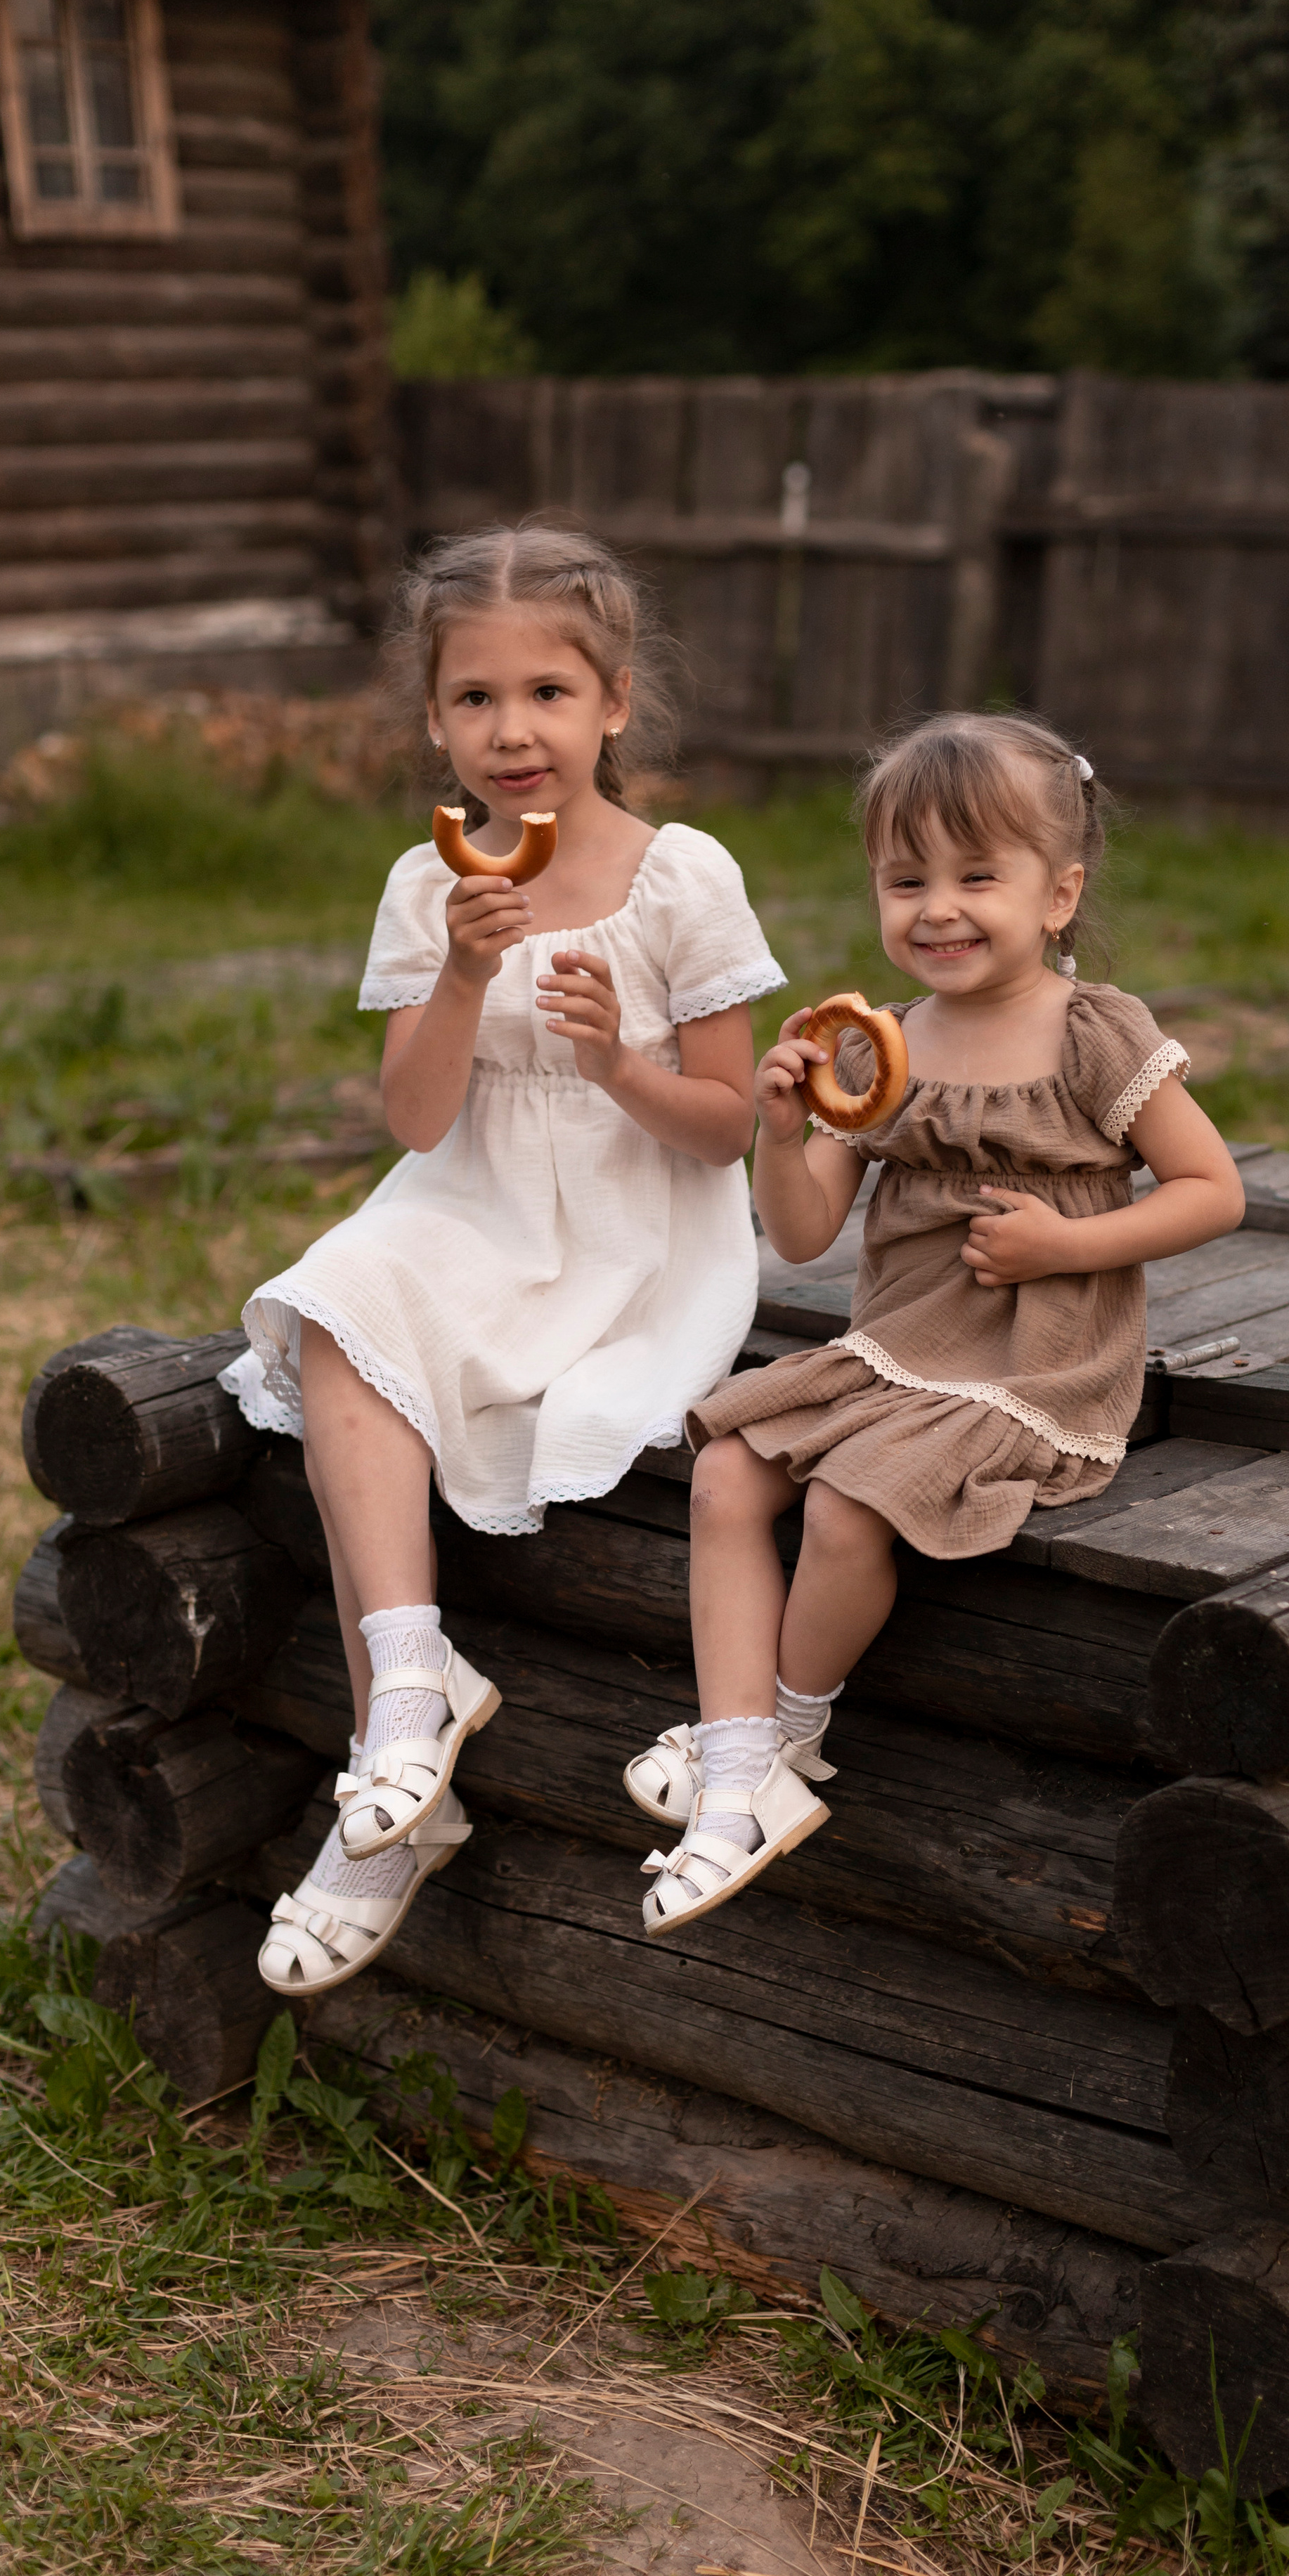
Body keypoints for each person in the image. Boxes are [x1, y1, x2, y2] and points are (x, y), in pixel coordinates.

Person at [221, 525, 786, 1993]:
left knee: (373, 1330)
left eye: (546, 693)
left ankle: (391, 1813)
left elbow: (725, 1131)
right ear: (432, 718)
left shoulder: (681, 877)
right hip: (466, 1206)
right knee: (340, 1303)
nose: (511, 730)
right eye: (475, 698)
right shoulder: (432, 882)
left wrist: (615, 1065)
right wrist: (468, 969)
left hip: (631, 1237)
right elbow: (412, 1116)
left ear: (610, 704)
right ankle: (410, 1693)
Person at [628, 710, 1245, 1936]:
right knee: (727, 1475)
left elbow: (1213, 1192)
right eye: (907, 880)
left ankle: (785, 1742)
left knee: (857, 1501)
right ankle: (741, 1750)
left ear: (1059, 894)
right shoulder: (883, 1047)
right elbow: (802, 1234)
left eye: (978, 877)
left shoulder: (1093, 1033)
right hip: (895, 1346)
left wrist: (1065, 1245)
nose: (938, 909)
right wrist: (786, 1129)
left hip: (1031, 1365)